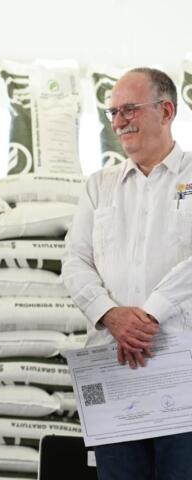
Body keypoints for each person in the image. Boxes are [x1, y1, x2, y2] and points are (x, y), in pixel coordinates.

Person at [62, 67, 192, 479]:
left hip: (183, 374)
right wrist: (111, 315)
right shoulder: (99, 186)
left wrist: (150, 314)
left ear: (166, 110)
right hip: (116, 368)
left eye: (129, 110)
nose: (118, 122)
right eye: (112, 112)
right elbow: (74, 261)